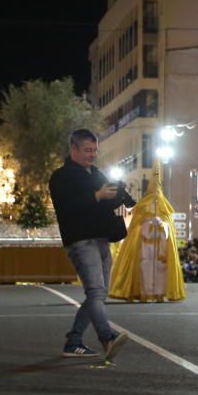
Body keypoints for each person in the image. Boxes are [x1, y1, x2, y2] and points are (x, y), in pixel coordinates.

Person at [48, 129, 132, 360]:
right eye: (87, 150)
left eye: (94, 150)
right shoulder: (61, 177)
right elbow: (67, 207)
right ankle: (107, 337)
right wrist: (97, 195)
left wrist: (119, 193)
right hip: (81, 240)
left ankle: (73, 341)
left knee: (98, 293)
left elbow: (108, 202)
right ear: (73, 149)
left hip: (102, 237)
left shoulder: (96, 173)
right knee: (95, 291)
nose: (92, 155)